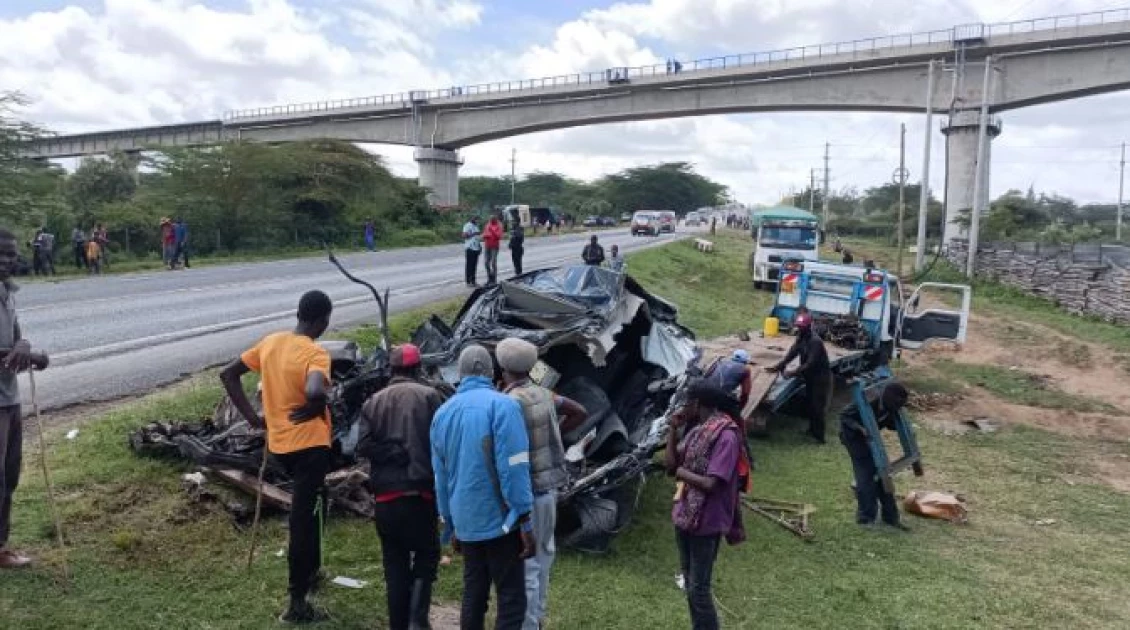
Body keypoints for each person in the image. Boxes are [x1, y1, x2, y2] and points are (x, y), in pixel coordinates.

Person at [220, 290, 335, 624]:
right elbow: (315, 390)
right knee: (302, 518)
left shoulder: (271, 342)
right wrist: (320, 402)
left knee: (315, 505)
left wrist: (254, 419)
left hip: (281, 445)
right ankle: (297, 602)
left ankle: (311, 570)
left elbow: (228, 374)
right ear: (322, 320)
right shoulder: (316, 353)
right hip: (309, 448)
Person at [431, 344, 535, 630]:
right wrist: (523, 519)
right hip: (502, 520)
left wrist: (449, 523)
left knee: (474, 593)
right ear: (492, 372)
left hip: (465, 519)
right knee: (511, 598)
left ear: (461, 374)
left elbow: (441, 477)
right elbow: (514, 467)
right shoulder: (504, 406)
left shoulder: (443, 414)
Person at [495, 338, 587, 630]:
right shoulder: (546, 394)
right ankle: (536, 619)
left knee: (526, 565)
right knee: (544, 557)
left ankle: (527, 624)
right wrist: (556, 435)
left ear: (503, 367)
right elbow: (579, 411)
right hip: (549, 490)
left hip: (525, 492)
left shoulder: (509, 402)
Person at [357, 344, 446, 630]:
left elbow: (361, 446)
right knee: (427, 554)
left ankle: (399, 625)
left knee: (394, 565)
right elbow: (442, 444)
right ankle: (417, 620)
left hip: (385, 497)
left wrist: (388, 453)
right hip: (420, 493)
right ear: (418, 369)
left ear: (391, 369)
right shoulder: (430, 396)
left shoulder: (373, 401)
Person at [665, 383, 748, 630]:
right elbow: (670, 464)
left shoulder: (727, 436)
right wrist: (672, 430)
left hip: (708, 520)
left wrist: (680, 472)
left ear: (698, 404)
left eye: (687, 403)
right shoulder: (698, 431)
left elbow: (711, 483)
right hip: (685, 514)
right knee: (690, 583)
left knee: (699, 589)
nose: (684, 407)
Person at [0, 228, 49, 570]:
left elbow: (17, 342)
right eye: (1, 253)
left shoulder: (7, 292)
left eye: (11, 254)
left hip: (9, 397)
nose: (7, 260)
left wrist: (27, 347)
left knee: (10, 473)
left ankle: (1, 545)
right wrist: (27, 354)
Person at [839, 381, 911, 530]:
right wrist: (860, 428)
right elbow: (844, 416)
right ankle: (865, 518)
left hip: (871, 440)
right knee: (866, 476)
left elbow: (889, 422)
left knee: (883, 473)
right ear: (887, 400)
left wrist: (904, 429)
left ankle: (891, 517)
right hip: (854, 439)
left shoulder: (890, 405)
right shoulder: (868, 401)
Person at [767, 312, 832, 443]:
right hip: (810, 377)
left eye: (802, 326)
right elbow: (792, 353)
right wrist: (779, 366)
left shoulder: (815, 342)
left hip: (820, 379)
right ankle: (811, 430)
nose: (799, 328)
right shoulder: (801, 338)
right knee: (810, 404)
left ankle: (819, 437)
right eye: (798, 326)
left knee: (817, 406)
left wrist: (793, 372)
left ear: (809, 326)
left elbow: (810, 363)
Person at [482, 215, 504, 285]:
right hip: (487, 245)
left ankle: (494, 279)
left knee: (493, 262)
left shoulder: (499, 225)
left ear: (495, 219)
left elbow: (499, 236)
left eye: (492, 220)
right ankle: (489, 278)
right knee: (486, 262)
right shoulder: (487, 225)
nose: (490, 221)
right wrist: (484, 236)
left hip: (494, 246)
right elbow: (484, 234)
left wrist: (492, 231)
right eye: (490, 219)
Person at [462, 216, 482, 287]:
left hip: (476, 248)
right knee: (469, 266)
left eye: (478, 220)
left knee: (474, 266)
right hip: (470, 248)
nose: (477, 221)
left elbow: (477, 238)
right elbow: (464, 236)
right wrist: (474, 234)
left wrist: (480, 247)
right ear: (472, 219)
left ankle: (473, 281)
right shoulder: (467, 225)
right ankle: (468, 282)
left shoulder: (476, 226)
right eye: (476, 220)